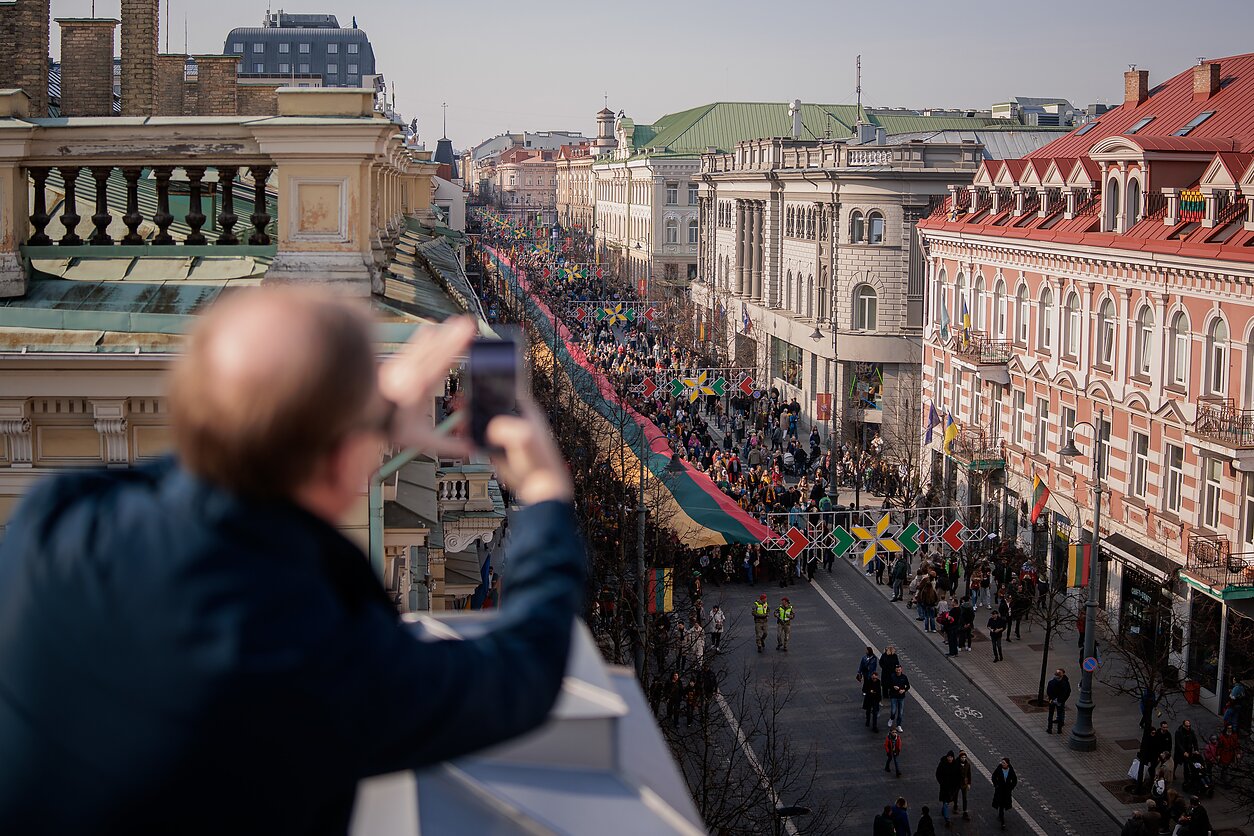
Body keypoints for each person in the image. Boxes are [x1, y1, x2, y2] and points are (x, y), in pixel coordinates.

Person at [0, 298, 584, 833]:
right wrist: (543, 496)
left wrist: (358, 415)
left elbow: (216, 463)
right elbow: (523, 673)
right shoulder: (308, 653)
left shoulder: (51, 526)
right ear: (344, 463)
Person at [990, 757, 1018, 831]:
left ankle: (1000, 815)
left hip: (1006, 791)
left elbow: (1015, 780)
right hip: (1000, 790)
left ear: (1007, 764)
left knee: (1003, 805)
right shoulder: (999, 769)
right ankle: (1002, 822)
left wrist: (1011, 787)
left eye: (1004, 763)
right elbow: (993, 776)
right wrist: (996, 785)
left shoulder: (1010, 770)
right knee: (1001, 805)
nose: (1002, 764)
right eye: (1002, 762)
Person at [935, 750, 961, 827]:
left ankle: (943, 810)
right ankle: (947, 819)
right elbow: (938, 774)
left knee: (946, 802)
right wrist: (941, 782)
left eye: (951, 757)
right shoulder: (943, 763)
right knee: (946, 802)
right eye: (949, 757)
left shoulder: (955, 765)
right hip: (944, 787)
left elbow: (958, 776)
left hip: (952, 788)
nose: (950, 758)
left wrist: (956, 785)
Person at [1045, 669, 1072, 734]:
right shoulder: (1064, 683)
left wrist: (1052, 698)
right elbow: (1066, 693)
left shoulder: (1051, 682)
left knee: (1050, 714)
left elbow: (1048, 691)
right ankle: (1059, 730)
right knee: (1060, 715)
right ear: (1061, 676)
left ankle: (1049, 729)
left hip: (1052, 700)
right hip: (1060, 701)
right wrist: (1062, 700)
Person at [890, 665, 911, 731]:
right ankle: (892, 718)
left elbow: (908, 686)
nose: (898, 671)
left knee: (900, 712)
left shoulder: (904, 677)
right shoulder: (892, 676)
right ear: (895, 670)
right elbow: (888, 684)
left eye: (899, 670)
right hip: (893, 696)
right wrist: (893, 687)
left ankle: (898, 725)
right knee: (893, 711)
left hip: (901, 697)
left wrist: (904, 690)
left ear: (901, 670)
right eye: (897, 670)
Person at [956, 751, 973, 821]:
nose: (964, 758)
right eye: (962, 757)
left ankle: (965, 812)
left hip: (964, 783)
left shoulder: (967, 764)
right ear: (960, 757)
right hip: (957, 783)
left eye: (965, 757)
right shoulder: (956, 764)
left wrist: (969, 783)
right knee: (955, 796)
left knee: (965, 798)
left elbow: (969, 774)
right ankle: (955, 806)